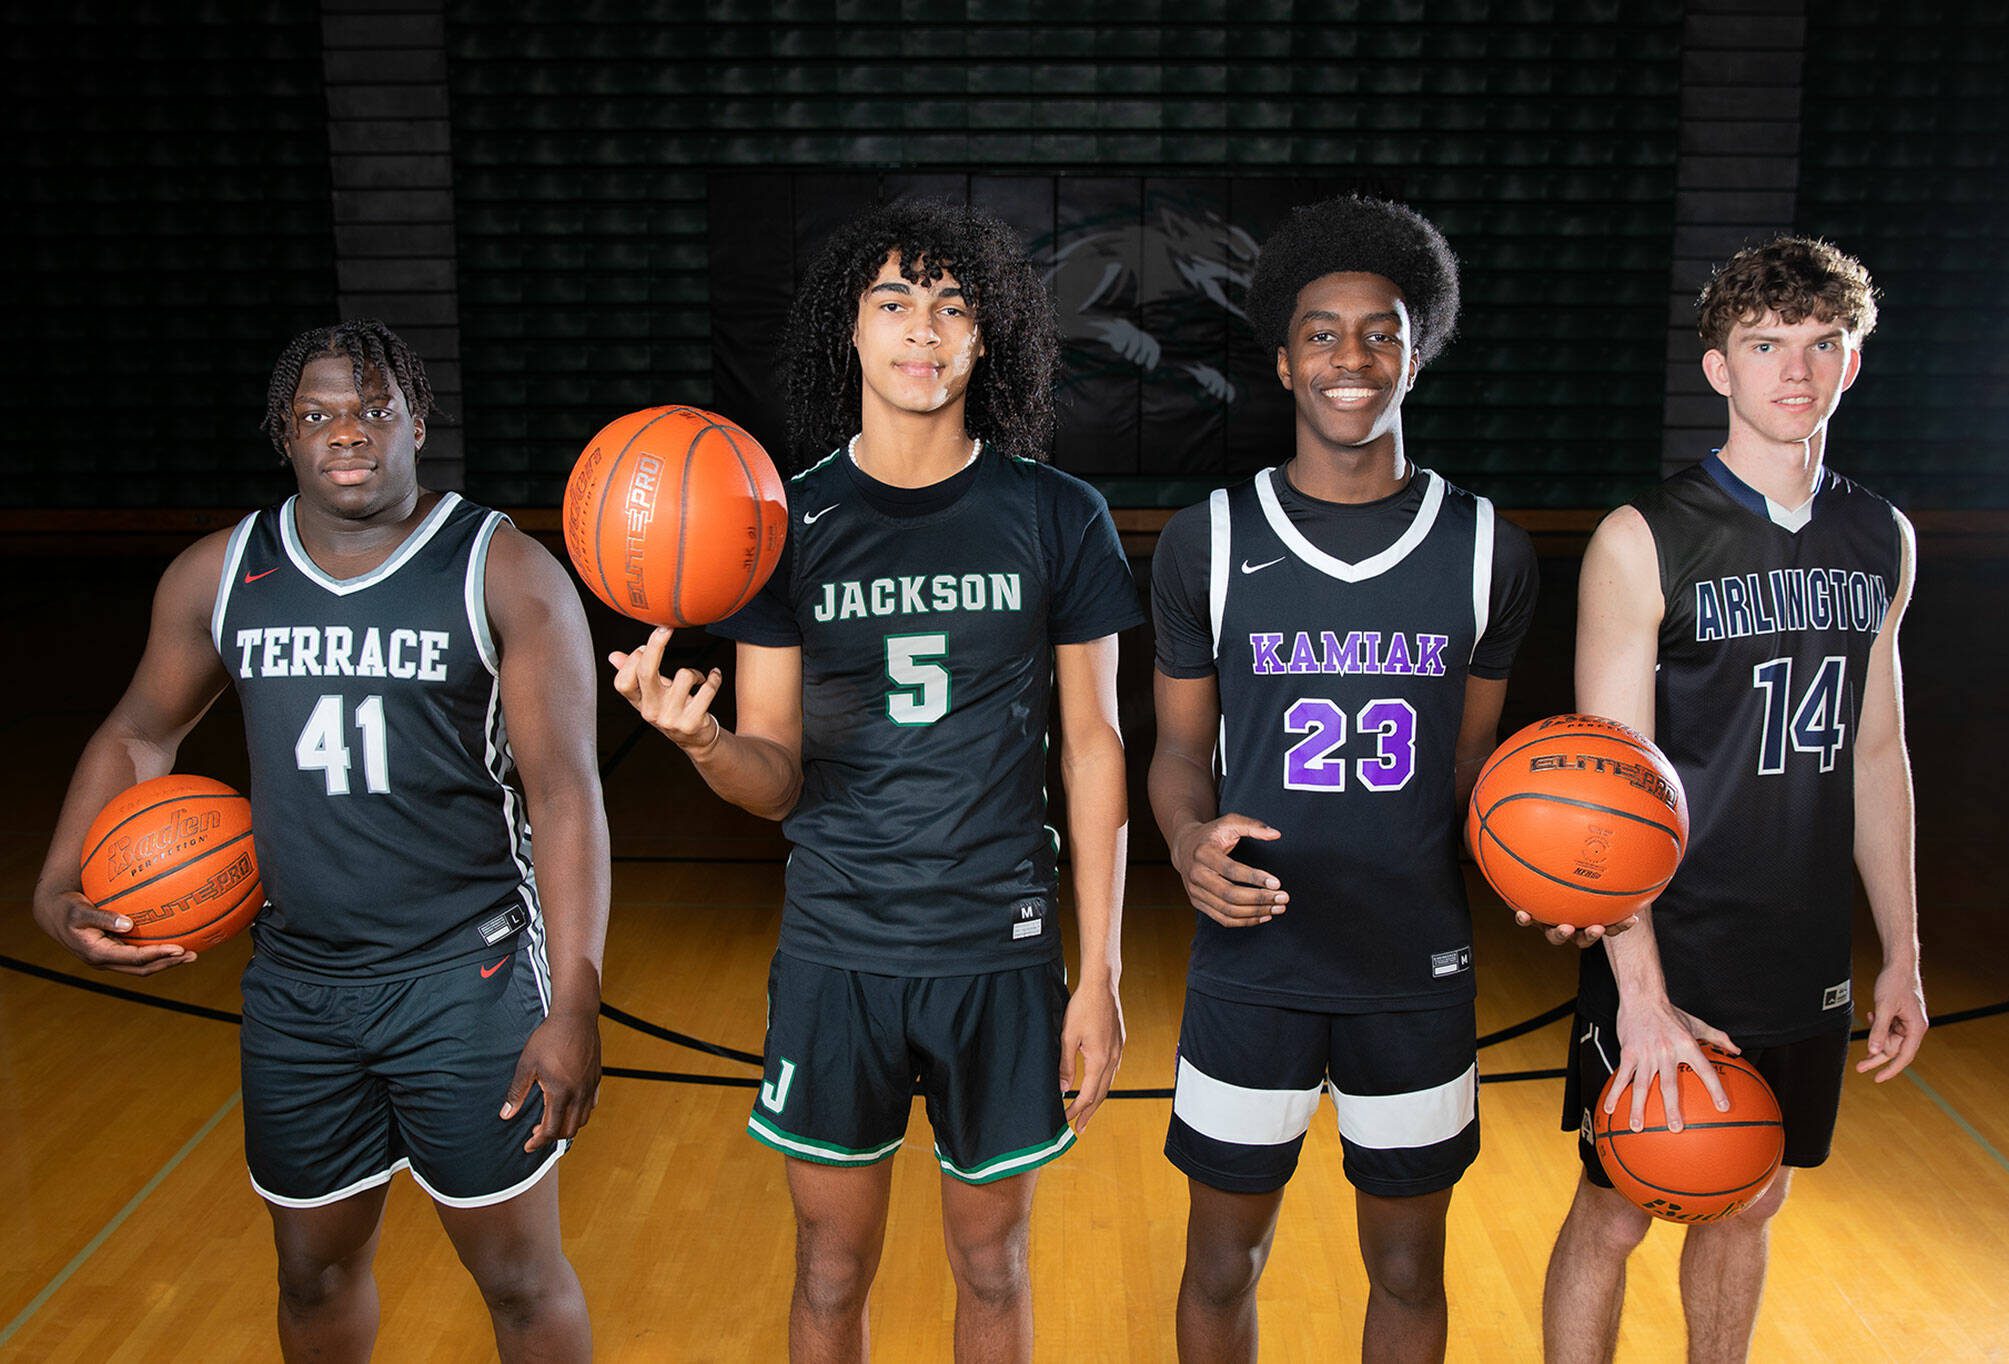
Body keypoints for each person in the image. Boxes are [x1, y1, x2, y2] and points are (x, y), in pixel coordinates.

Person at [610, 199, 1143, 1362]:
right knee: (830, 1265)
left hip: (996, 949)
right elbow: (773, 777)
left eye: (953, 305)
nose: (922, 328)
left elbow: (1094, 746)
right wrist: (699, 743)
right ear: (845, 331)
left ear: (987, 334)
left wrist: (1096, 974)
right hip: (837, 944)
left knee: (992, 1262)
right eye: (893, 301)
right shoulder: (776, 524)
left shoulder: (1057, 515)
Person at [32, 320, 610, 1362]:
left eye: (375, 408)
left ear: (417, 422)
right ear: (284, 433)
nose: (349, 430)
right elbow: (137, 730)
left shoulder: (504, 571)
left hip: (463, 976)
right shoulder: (221, 573)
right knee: (312, 1269)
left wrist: (573, 1000)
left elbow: (565, 794)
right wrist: (56, 886)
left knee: (519, 1280)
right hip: (299, 988)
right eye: (320, 413)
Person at [1148, 194, 1539, 1362]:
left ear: (1416, 354)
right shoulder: (1205, 540)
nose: (1351, 358)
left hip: (1411, 963)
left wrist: (1548, 871)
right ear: (1281, 357)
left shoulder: (1486, 552)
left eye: (1381, 332)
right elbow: (1177, 754)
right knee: (1220, 1261)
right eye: (1322, 333)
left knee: (1409, 1266)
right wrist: (1183, 845)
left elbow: (1474, 778)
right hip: (1251, 960)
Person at [1541, 237, 1926, 1363]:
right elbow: (1603, 808)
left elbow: (1875, 752)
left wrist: (1899, 949)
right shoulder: (1641, 538)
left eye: (1820, 346)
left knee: (1752, 1190)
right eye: (1763, 346)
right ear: (1717, 367)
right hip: (1676, 937)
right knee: (1616, 1203)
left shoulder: (1880, 536)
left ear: (1850, 364)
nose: (1792, 372)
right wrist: (1641, 995)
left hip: (1799, 940)